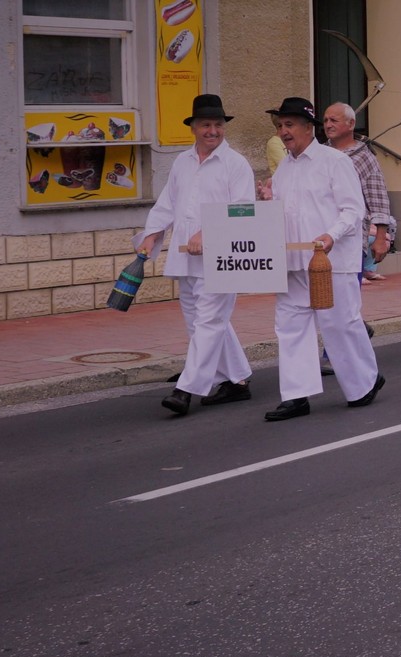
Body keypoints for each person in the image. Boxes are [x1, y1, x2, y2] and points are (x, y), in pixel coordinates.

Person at [259, 97, 382, 420]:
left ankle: (364, 383)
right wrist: (269, 200)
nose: (283, 132)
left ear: (307, 127)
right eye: (280, 126)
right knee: (290, 325)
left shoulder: (334, 161)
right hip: (294, 262)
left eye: (289, 125)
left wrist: (331, 235)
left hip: (332, 260)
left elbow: (353, 209)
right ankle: (297, 395)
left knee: (339, 323)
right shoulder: (285, 167)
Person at [136, 94, 255, 416]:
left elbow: (243, 210)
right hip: (185, 256)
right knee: (202, 322)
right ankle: (237, 380)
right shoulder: (182, 162)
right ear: (193, 128)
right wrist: (151, 235)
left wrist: (209, 232)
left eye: (218, 125)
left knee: (208, 321)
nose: (213, 131)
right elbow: (168, 204)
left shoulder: (236, 164)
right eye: (206, 125)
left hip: (222, 258)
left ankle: (186, 389)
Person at [323, 102, 392, 282]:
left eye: (334, 120)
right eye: (325, 121)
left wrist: (379, 238)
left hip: (349, 242)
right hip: (320, 237)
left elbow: (378, 198)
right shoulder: (319, 153)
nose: (328, 125)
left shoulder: (363, 156)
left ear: (351, 124)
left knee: (345, 300)